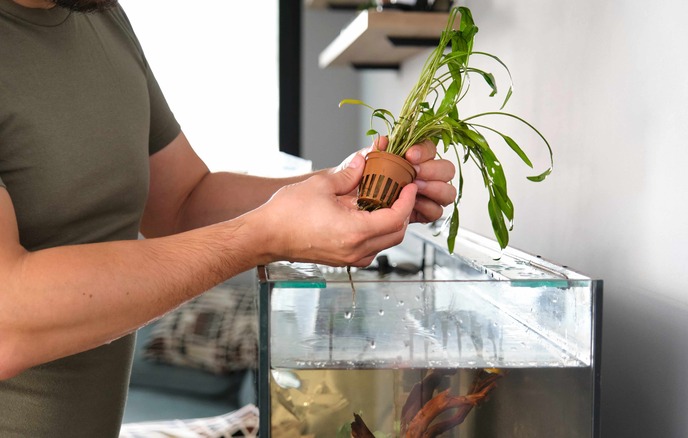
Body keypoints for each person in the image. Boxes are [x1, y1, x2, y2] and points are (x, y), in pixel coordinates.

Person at [0, 0, 457, 435]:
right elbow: (8, 320)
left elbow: (182, 201)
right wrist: (262, 235)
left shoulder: (100, 16)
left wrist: (346, 187)